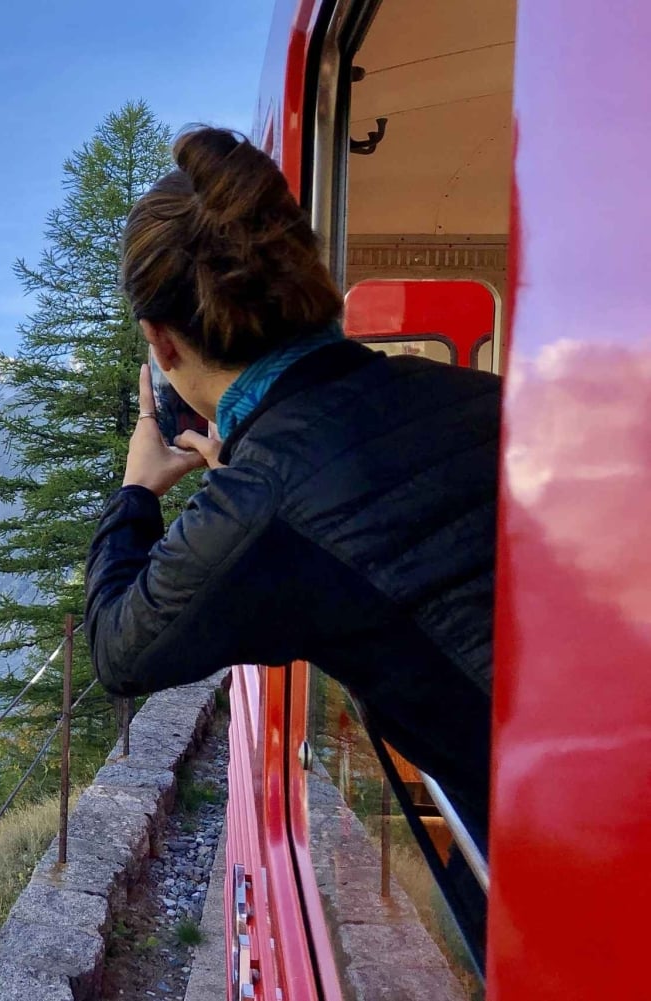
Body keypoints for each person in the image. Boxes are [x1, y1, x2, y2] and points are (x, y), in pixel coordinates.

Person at [84, 126, 500, 850]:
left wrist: (138, 490)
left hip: (578, 860)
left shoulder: (262, 500)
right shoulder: (471, 391)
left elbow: (120, 650)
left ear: (162, 342)